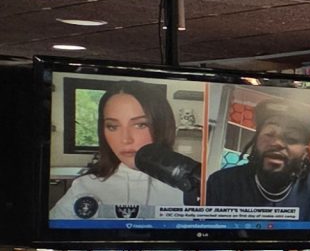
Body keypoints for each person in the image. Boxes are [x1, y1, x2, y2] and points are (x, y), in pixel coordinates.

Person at [49, 89, 198, 221]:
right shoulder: (85, 186)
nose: (125, 139)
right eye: (113, 126)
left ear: (162, 126)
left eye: (140, 125)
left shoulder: (193, 187)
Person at [204, 98, 310, 221]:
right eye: (269, 134)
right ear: (256, 139)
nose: (277, 143)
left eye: (291, 138)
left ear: (305, 153)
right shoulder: (221, 183)